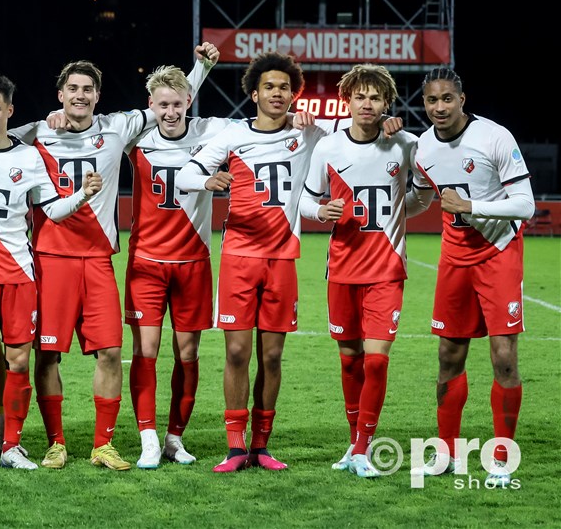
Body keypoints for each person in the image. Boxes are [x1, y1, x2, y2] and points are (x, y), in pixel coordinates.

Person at [0, 44, 216, 470]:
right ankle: (56, 442)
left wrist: (202, 66)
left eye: (87, 89)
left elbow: (171, 103)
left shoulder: (118, 127)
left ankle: (103, 444)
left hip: (100, 260)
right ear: (61, 94)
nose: (80, 95)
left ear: (97, 96)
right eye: (72, 89)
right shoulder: (36, 132)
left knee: (109, 352)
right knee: (48, 354)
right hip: (50, 259)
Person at [176, 51, 388, 473]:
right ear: (254, 93)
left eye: (285, 88)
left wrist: (388, 123)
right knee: (237, 353)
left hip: (282, 259)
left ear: (294, 95)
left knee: (271, 357)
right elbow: (184, 176)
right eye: (270, 87)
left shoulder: (310, 132)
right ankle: (235, 446)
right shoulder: (233, 136)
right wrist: (208, 179)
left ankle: (261, 446)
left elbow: (360, 130)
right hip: (239, 256)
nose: (278, 93)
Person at [0, 74, 102, 471]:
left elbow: (52, 210)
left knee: (17, 362)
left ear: (9, 111)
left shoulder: (29, 157)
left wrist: (82, 194)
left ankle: (11, 445)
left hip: (19, 273)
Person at [298, 64, 432, 478]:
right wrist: (322, 211)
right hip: (341, 268)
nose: (368, 104)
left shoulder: (405, 144)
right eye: (360, 96)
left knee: (376, 362)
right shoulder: (328, 149)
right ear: (348, 101)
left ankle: (362, 448)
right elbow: (305, 202)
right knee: (350, 360)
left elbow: (425, 193)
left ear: (387, 103)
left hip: (386, 270)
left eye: (375, 97)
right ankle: (354, 442)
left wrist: (398, 212)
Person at [411, 67, 533, 488]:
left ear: (463, 100)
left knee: (503, 357)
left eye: (447, 98)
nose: (439, 107)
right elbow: (420, 198)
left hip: (498, 253)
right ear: (423, 104)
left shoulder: (495, 137)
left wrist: (471, 206)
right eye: (431, 100)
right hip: (454, 258)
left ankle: (503, 455)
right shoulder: (422, 147)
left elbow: (525, 205)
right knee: (448, 357)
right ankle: (446, 453)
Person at [122, 58, 235, 468]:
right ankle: (148, 437)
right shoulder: (137, 137)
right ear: (151, 104)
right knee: (146, 350)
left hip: (193, 263)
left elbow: (259, 127)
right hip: (147, 263)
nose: (170, 113)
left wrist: (293, 115)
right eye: (161, 105)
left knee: (188, 354)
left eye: (177, 104)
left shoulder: (211, 132)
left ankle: (174, 438)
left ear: (189, 101)